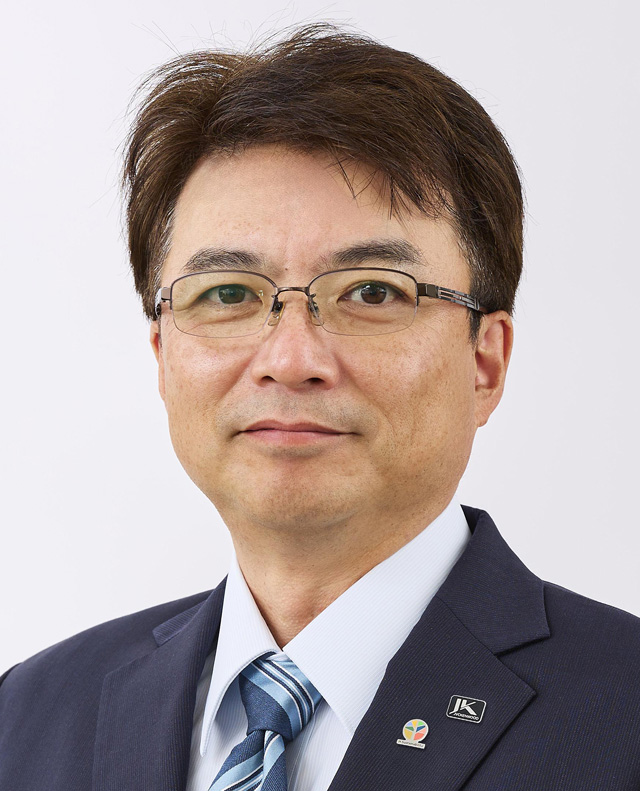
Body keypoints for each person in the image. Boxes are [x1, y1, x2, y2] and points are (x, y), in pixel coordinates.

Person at [1, 22, 639, 791]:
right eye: (227, 294)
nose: (290, 359)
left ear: (485, 361)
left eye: (372, 291)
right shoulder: (29, 714)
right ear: (163, 355)